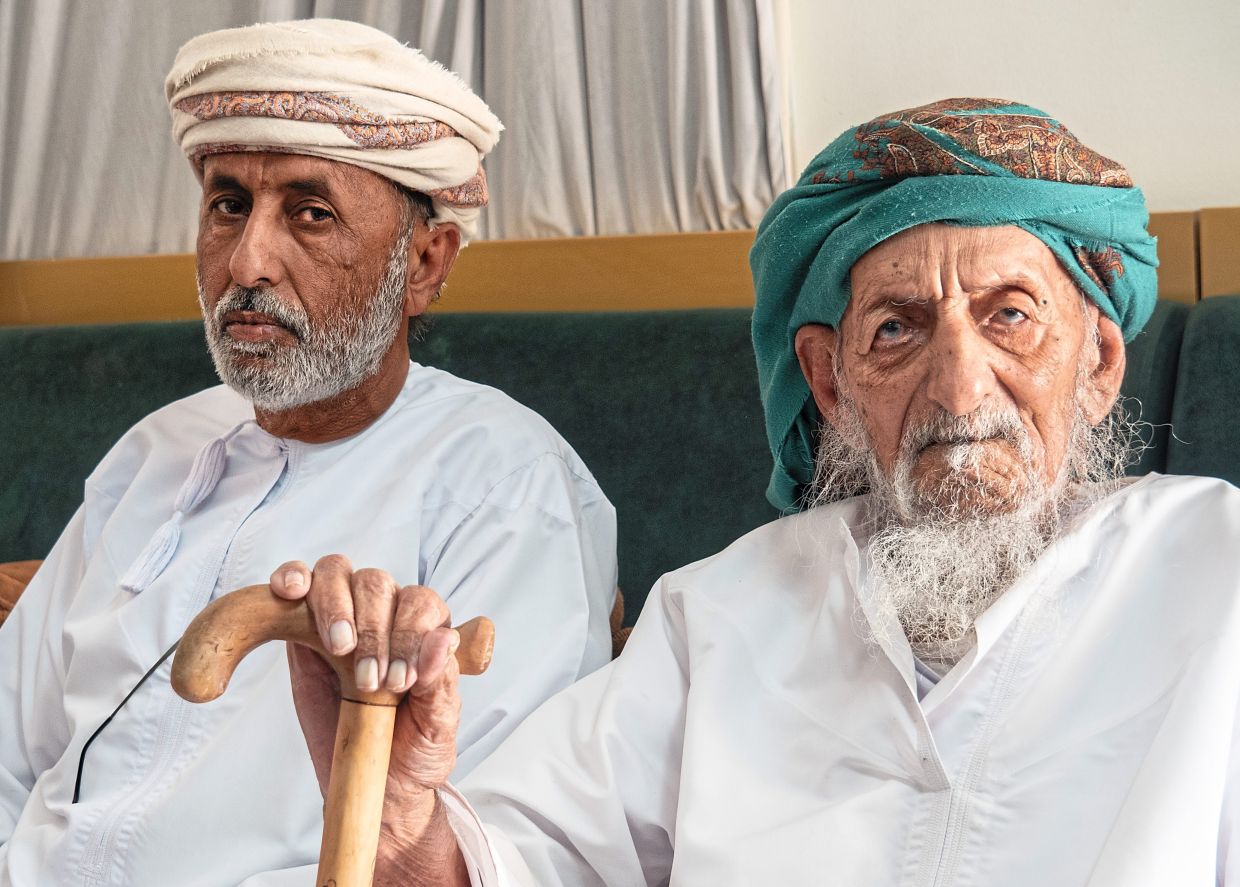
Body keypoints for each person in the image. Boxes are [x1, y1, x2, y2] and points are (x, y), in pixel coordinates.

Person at [287, 98, 1240, 885]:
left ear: (1100, 359)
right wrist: (396, 815)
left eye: (1012, 316)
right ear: (831, 383)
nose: (959, 388)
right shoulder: (718, 615)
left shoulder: (1216, 576)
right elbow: (505, 864)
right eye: (899, 329)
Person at [0, 19, 617, 887]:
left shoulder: (509, 488)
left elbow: (481, 845)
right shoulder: (155, 450)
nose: (248, 259)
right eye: (228, 205)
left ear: (426, 264)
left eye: (310, 212)